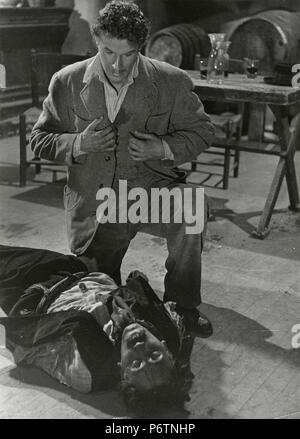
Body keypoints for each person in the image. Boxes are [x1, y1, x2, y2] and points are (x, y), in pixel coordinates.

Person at [30, 0, 215, 337]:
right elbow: (39, 140)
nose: (117, 65)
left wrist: (163, 147)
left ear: (140, 48)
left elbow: (203, 132)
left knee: (192, 206)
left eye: (127, 54)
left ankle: (184, 307)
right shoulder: (67, 81)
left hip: (152, 193)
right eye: (108, 52)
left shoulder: (171, 81)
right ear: (95, 40)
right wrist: (78, 143)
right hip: (99, 204)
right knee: (103, 303)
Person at [0, 244, 195, 412]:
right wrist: (121, 304)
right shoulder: (168, 331)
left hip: (33, 289)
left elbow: (25, 348)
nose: (139, 347)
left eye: (136, 364)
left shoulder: (86, 373)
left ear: (123, 373)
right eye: (154, 355)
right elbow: (137, 282)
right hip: (75, 270)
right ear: (167, 351)